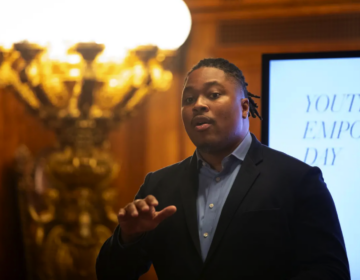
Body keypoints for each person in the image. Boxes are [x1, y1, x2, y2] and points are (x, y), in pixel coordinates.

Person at [96, 58, 350, 280]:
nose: (198, 105)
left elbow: (330, 271)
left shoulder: (298, 179)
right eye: (188, 99)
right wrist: (129, 238)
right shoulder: (158, 185)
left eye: (214, 94)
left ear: (244, 107)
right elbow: (111, 274)